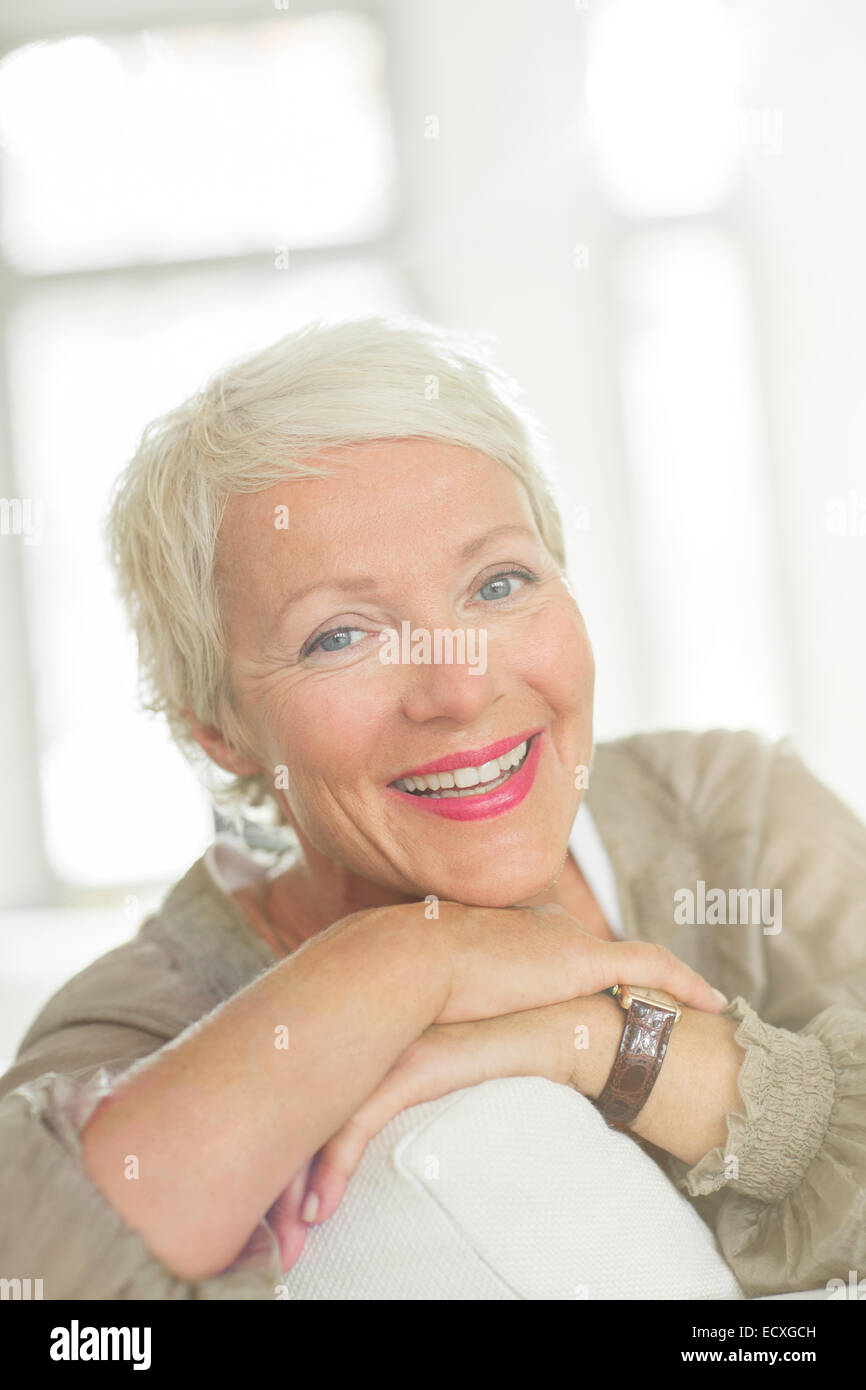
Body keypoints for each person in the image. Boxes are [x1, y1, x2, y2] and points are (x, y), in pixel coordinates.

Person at [1, 317, 863, 1299]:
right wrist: (411, 954)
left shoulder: (721, 810)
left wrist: (602, 1038)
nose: (456, 690)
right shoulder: (151, 1018)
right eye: (339, 636)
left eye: (498, 582)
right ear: (219, 731)